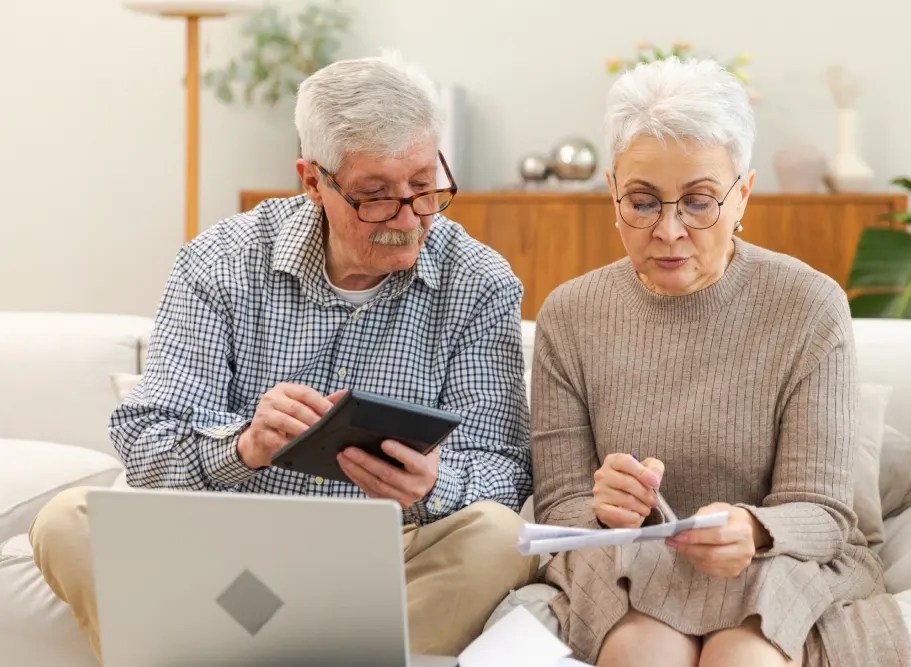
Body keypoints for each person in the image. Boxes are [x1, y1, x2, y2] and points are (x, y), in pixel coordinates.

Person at [29, 53, 537, 663]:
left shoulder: (479, 281)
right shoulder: (220, 261)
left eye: (425, 188)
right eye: (374, 197)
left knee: (503, 541)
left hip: (392, 553)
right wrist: (243, 447)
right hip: (226, 546)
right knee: (66, 522)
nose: (408, 219)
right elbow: (146, 442)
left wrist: (431, 487)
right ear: (311, 179)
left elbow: (504, 469)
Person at [529, 58, 911, 667]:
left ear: (744, 194)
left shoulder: (808, 305)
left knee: (743, 657)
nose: (670, 231)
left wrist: (754, 529)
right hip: (628, 560)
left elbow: (822, 511)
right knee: (640, 653)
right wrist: (601, 510)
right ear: (612, 191)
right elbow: (560, 508)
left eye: (700, 202)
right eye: (643, 202)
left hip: (778, 557)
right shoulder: (570, 315)